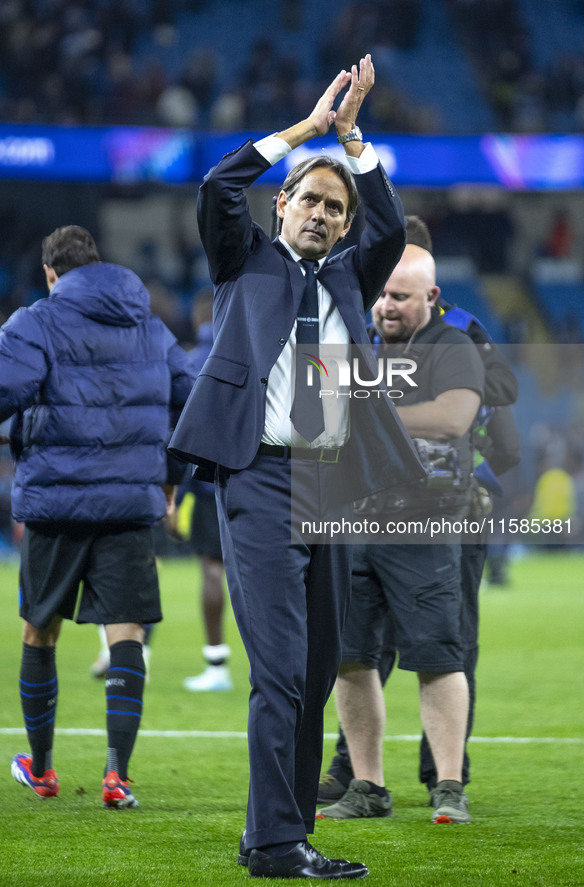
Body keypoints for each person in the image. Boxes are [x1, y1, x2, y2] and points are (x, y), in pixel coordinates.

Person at [169, 56, 424, 880]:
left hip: (331, 482)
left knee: (313, 673)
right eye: (308, 199)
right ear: (282, 204)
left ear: (343, 226)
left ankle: (275, 834)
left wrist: (354, 142)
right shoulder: (243, 260)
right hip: (260, 478)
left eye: (332, 207)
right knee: (279, 667)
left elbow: (388, 223)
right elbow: (216, 183)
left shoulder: (352, 274)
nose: (319, 213)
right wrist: (310, 130)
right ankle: (279, 844)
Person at [317, 217, 520, 810]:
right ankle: (356, 773)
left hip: (446, 510)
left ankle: (443, 779)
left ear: (427, 282)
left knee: (444, 646)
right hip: (366, 512)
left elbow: (493, 394)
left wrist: (388, 406)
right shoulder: (356, 323)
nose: (385, 300)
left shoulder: (458, 330)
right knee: (358, 649)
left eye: (399, 288)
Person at [1, 225, 194, 808]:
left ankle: (43, 768)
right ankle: (117, 775)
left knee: (41, 630)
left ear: (52, 274)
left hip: (56, 505)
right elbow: (189, 401)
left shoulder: (36, 321)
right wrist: (169, 481)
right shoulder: (151, 325)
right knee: (127, 632)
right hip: (131, 504)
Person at [180, 295, 231, 692]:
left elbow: (180, 434)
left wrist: (174, 496)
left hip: (207, 485)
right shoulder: (253, 351)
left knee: (212, 570)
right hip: (261, 481)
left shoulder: (192, 361)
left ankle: (217, 663)